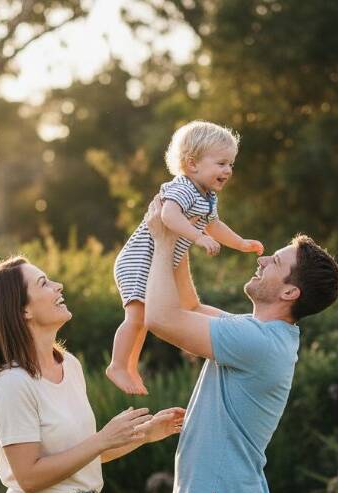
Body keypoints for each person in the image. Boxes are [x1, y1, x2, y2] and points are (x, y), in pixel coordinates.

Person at [143, 198, 338, 493]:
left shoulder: (258, 342)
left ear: (289, 293)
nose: (264, 259)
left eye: (277, 262)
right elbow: (189, 305)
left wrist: (164, 241)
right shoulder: (258, 333)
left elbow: (160, 318)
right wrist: (184, 235)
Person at [0, 255, 185, 493]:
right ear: (22, 310)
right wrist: (103, 438)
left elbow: (82, 457)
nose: (58, 285)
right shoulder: (12, 384)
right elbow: (29, 477)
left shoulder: (69, 364)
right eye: (44, 283)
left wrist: (143, 434)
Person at [107, 120, 264, 395]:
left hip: (160, 260)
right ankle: (117, 365)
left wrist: (240, 243)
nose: (228, 170)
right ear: (192, 165)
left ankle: (130, 366)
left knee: (144, 318)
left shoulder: (207, 196)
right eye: (221, 163)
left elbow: (213, 224)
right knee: (136, 317)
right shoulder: (183, 187)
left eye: (231, 164)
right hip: (139, 259)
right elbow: (168, 215)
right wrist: (198, 237)